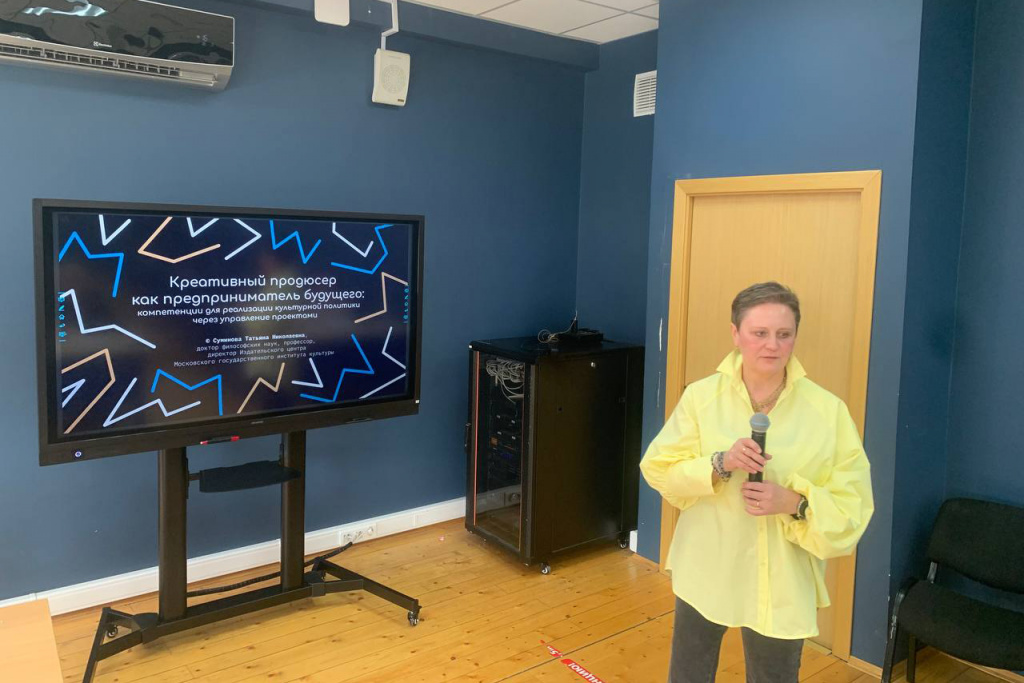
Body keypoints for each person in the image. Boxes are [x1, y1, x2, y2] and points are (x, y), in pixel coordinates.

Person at [640, 282, 874, 683]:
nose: (772, 345)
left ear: (796, 336)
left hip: (782, 579)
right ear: (735, 334)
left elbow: (853, 507)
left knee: (774, 676)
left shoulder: (827, 412)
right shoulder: (701, 398)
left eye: (784, 334)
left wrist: (795, 503)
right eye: (759, 333)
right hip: (708, 564)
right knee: (690, 672)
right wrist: (719, 463)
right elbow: (659, 469)